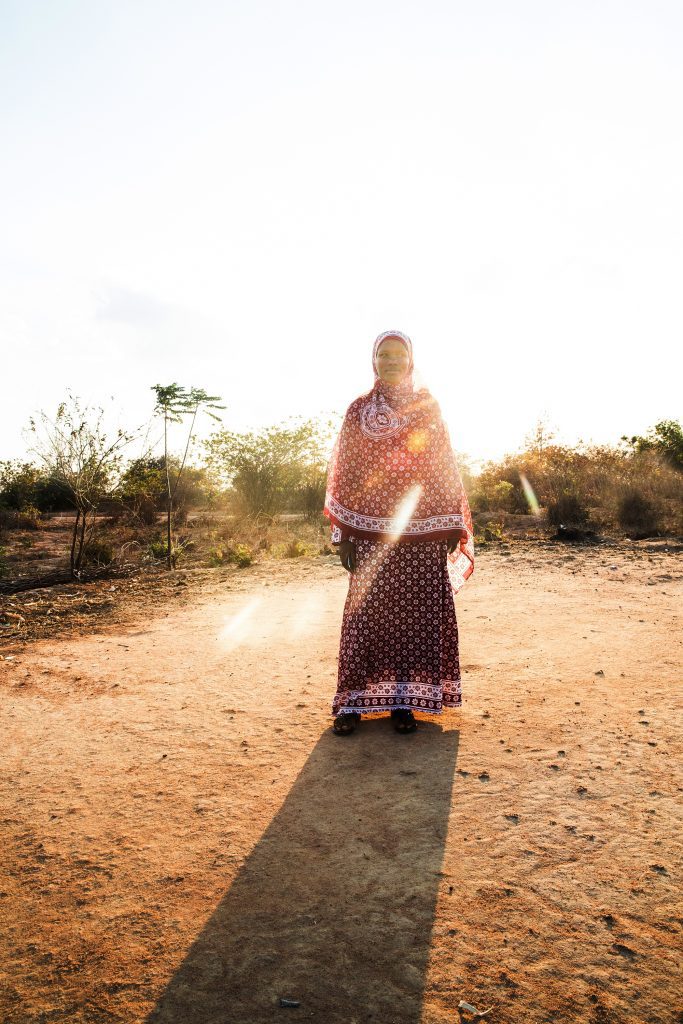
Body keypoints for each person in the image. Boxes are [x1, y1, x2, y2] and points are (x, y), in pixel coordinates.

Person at [323, 329, 475, 735]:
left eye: (398, 355)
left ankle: (404, 702)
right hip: (370, 535)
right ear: (374, 361)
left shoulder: (428, 408)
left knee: (414, 618)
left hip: (421, 533)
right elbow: (345, 472)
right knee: (365, 617)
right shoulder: (358, 411)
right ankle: (352, 704)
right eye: (384, 355)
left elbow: (443, 465)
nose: (391, 361)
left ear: (411, 360)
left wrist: (449, 524)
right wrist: (344, 535)